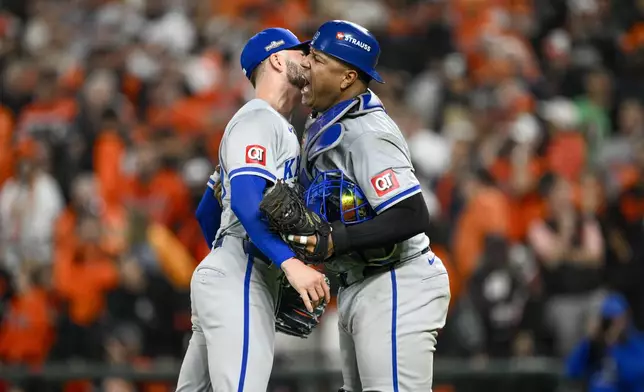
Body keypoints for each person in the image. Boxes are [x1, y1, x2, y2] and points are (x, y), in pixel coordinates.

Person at [288, 20, 451, 391]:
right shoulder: (326, 124)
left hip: (396, 281)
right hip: (360, 284)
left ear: (346, 78)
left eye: (316, 58)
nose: (305, 65)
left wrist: (336, 238)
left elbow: (412, 213)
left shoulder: (367, 132)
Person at [175, 27, 331, 391]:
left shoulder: (270, 126)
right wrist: (286, 264)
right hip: (242, 273)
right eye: (300, 53)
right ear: (277, 59)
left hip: (232, 270)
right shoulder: (258, 119)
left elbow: (206, 213)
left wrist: (221, 266)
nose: (308, 61)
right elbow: (247, 201)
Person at [566, 293, 644, 392]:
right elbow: (571, 371)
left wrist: (613, 348)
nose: (615, 326)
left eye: (618, 319)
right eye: (609, 321)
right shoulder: (593, 347)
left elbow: (635, 376)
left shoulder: (638, 344)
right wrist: (589, 341)